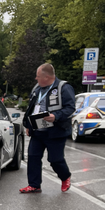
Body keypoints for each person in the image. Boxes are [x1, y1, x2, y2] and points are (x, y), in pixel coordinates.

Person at [20, 63, 76, 193]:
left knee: (55, 159)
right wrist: (28, 125)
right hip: (37, 130)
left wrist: (55, 116)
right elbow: (31, 108)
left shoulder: (63, 87)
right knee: (33, 157)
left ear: (46, 77)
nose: (36, 79)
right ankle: (34, 185)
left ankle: (65, 176)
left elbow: (70, 108)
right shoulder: (37, 88)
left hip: (55, 131)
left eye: (38, 76)